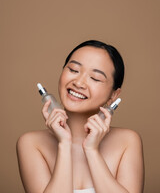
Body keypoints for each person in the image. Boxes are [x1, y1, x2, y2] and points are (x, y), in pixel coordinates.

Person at [16, 40, 144, 193]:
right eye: (73, 70)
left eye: (95, 78)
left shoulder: (127, 141)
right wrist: (64, 144)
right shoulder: (31, 144)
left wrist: (91, 150)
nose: (79, 82)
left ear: (113, 95)